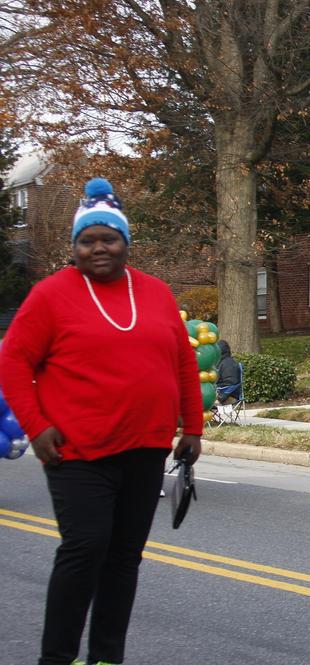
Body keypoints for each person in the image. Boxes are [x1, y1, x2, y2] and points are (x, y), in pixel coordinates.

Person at [0, 178, 203, 665]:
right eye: (87, 240)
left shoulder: (153, 292)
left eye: (108, 238)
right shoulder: (51, 295)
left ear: (125, 243)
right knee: (85, 548)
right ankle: (57, 657)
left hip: (145, 447)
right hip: (75, 451)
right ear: (74, 248)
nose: (98, 248)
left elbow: (182, 364)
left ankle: (106, 656)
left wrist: (192, 427)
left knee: (123, 557)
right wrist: (34, 424)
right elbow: (12, 361)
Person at [215, 339, 241, 404]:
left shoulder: (228, 364)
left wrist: (220, 398)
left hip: (228, 397)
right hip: (220, 394)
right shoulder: (222, 362)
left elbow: (231, 383)